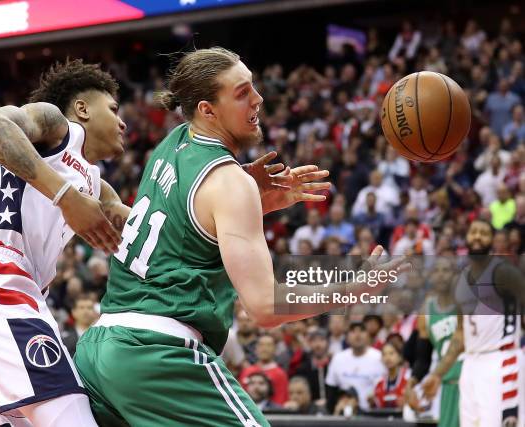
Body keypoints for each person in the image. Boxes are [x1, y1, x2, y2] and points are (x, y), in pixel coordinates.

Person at [74, 47, 407, 427]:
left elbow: (184, 225)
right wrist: (355, 289)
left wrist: (253, 195)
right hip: (155, 355)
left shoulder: (174, 142)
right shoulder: (229, 182)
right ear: (207, 110)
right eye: (242, 92)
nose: (258, 99)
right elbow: (265, 307)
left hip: (99, 348)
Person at [0, 59, 128, 427]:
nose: (123, 122)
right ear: (83, 109)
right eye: (114, 109)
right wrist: (65, 197)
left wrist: (231, 194)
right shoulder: (56, 124)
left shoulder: (95, 183)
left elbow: (146, 225)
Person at [422, 219, 524, 427]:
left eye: (483, 233)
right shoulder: (461, 281)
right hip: (470, 365)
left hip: (501, 361)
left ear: (492, 240)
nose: (477, 236)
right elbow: (460, 335)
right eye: (473, 232)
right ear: (466, 237)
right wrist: (437, 374)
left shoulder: (503, 272)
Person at [405, 258, 460, 427]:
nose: (441, 275)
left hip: (472, 376)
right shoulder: (426, 311)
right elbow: (423, 358)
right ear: (431, 276)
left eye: (446, 270)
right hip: (446, 383)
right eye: (437, 271)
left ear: (455, 275)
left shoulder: (466, 304)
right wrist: (411, 383)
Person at [325, 322, 386, 414]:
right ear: (346, 337)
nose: (357, 335)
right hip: (345, 413)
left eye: (362, 330)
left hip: (373, 413)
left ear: (368, 335)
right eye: (353, 331)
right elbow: (331, 389)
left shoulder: (380, 357)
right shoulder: (338, 358)